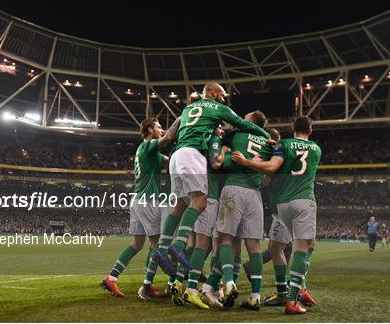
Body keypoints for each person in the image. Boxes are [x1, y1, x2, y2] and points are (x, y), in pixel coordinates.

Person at [153, 82, 269, 280]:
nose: (224, 99)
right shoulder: (219, 108)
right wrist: (266, 136)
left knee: (180, 205)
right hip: (193, 154)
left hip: (176, 156)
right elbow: (243, 124)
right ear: (213, 93)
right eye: (222, 95)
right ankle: (178, 246)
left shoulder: (188, 109)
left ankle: (161, 250)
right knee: (200, 201)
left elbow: (168, 137)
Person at [231, 116, 321, 315]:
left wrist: (251, 158)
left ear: (292, 127)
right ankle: (293, 299)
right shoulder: (316, 149)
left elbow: (272, 168)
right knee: (304, 247)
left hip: (282, 206)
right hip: (303, 201)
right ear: (311, 130)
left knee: (276, 248)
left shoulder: (283, 144)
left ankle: (286, 292)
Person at [101, 117, 179, 299]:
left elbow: (171, 159)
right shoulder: (148, 145)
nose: (162, 129)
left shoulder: (145, 151)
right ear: (150, 130)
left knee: (137, 244)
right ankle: (147, 285)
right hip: (147, 200)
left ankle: (111, 278)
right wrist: (179, 121)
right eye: (159, 127)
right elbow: (167, 139)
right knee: (157, 243)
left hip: (137, 200)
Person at [209, 110, 274, 311]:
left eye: (244, 119)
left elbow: (217, 138)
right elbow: (268, 176)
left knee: (226, 239)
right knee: (253, 245)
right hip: (255, 195)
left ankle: (229, 283)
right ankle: (255, 296)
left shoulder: (236, 135)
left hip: (233, 189)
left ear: (251, 123)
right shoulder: (269, 143)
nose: (239, 121)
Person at [171, 124, 228, 309]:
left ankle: (178, 283)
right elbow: (215, 163)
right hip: (209, 195)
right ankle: (192, 289)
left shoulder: (200, 142)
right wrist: (226, 151)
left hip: (195, 192)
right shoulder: (214, 141)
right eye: (219, 127)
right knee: (203, 245)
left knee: (193, 244)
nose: (221, 131)